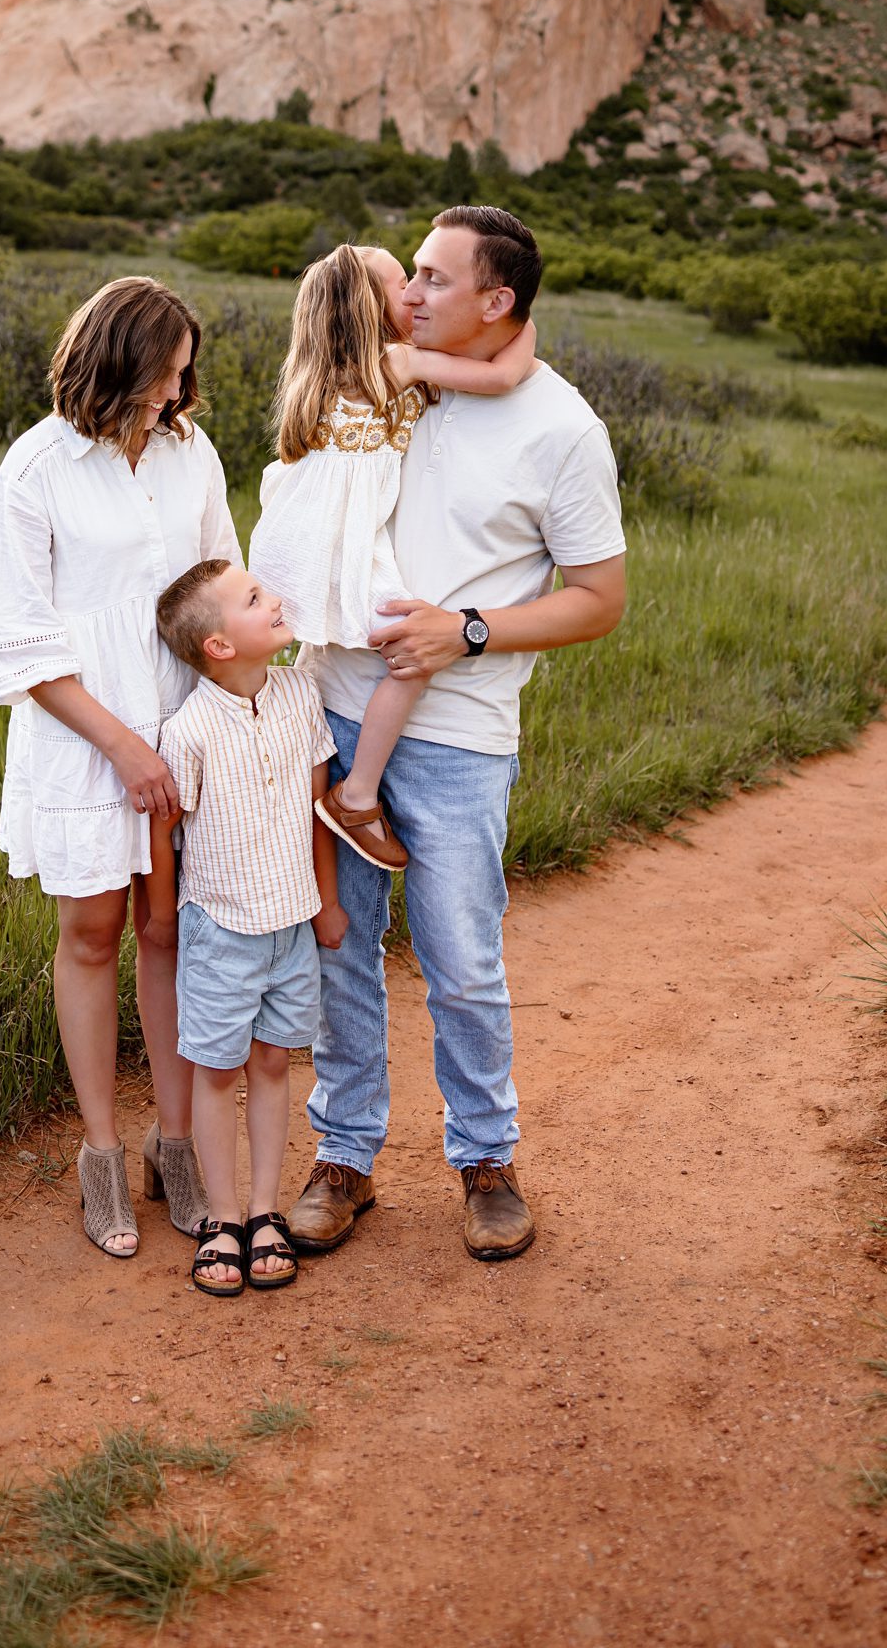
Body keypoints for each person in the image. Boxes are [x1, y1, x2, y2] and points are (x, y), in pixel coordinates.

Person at [290, 206, 627, 1262]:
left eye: (436, 278)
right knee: (338, 950)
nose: (413, 294)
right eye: (411, 275)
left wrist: (468, 630)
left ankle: (486, 1158)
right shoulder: (395, 377)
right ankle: (344, 1153)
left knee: (461, 961)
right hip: (331, 709)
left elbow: (599, 598)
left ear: (500, 302)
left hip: (461, 735)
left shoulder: (561, 428)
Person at [0, 275, 238, 1257]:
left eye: (183, 374)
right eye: (165, 371)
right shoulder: (35, 468)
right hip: (85, 733)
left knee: (169, 931)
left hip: (181, 723)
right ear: (118, 357)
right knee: (92, 932)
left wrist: (223, 719)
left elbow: (219, 580)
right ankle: (98, 1153)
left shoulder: (190, 450)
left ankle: (173, 1142)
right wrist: (124, 747)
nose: (177, 391)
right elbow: (23, 644)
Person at [248, 243, 536, 869]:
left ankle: (275, 779)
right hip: (339, 539)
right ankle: (354, 797)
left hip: (296, 537)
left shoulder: (314, 375)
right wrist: (523, 322)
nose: (412, 295)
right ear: (368, 308)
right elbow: (503, 375)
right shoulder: (400, 360)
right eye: (401, 282)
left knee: (298, 657)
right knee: (411, 651)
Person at [145, 558, 348, 1297]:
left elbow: (318, 811)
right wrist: (164, 918)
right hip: (220, 930)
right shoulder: (190, 728)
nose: (275, 599)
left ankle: (265, 1210)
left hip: (291, 924)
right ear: (220, 646)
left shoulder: (300, 694)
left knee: (272, 1065)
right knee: (218, 1070)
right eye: (256, 597)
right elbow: (169, 832)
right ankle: (221, 1218)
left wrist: (326, 902)